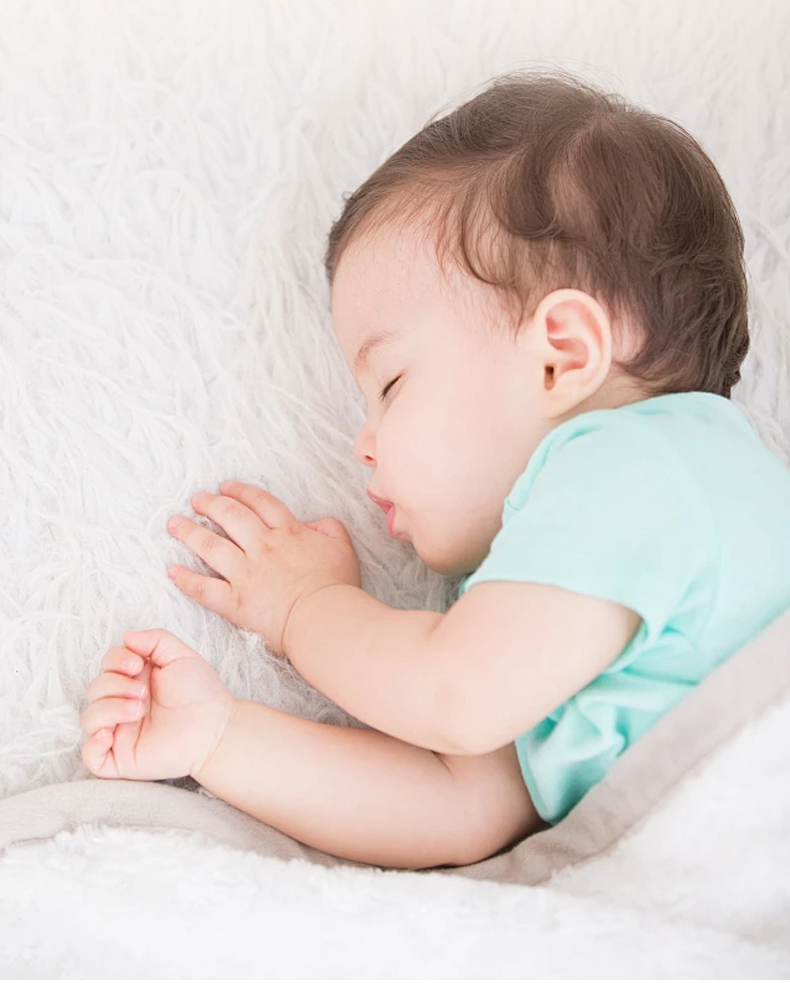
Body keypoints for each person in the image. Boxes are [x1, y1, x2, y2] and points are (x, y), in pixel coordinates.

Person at [79, 70, 790, 870]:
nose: (363, 443)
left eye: (389, 385)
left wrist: (306, 607)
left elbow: (453, 697)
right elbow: (458, 810)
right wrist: (217, 737)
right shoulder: (546, 603)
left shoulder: (644, 466)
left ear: (560, 356)